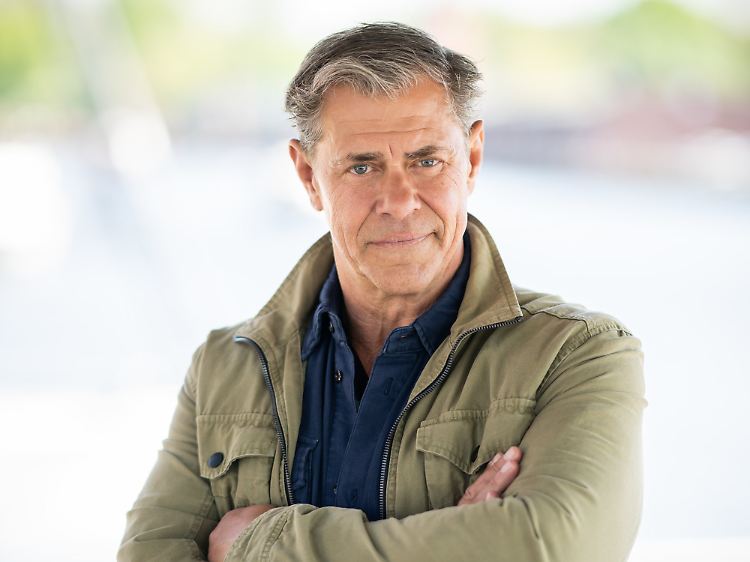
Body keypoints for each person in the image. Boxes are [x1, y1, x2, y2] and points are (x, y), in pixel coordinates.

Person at [119, 22, 645, 562]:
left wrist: (258, 544)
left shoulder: (577, 355)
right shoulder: (223, 369)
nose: (399, 200)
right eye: (362, 166)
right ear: (308, 176)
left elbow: (551, 546)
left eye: (427, 161)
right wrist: (461, 541)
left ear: (472, 159)